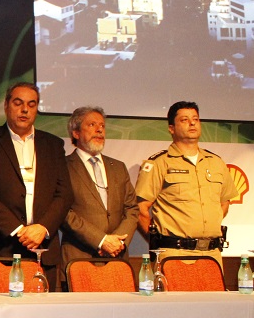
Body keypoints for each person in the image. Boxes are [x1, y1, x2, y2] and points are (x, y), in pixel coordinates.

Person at [0, 82, 72, 284]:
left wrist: (43, 228)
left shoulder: (53, 145)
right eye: (18, 103)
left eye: (32, 104)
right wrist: (19, 230)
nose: (25, 110)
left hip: (42, 249)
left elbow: (64, 194)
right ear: (6, 106)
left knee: (43, 315)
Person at [135, 101, 238, 266]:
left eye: (195, 119)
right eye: (184, 120)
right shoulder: (158, 163)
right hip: (175, 254)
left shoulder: (216, 162)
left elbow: (224, 202)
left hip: (212, 254)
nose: (192, 123)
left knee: (214, 293)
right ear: (171, 128)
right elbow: (140, 210)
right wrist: (159, 240)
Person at [60, 106, 138, 281]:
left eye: (102, 125)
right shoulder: (62, 167)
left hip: (117, 259)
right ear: (76, 133)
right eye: (92, 124)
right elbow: (63, 212)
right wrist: (101, 240)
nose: (99, 129)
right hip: (80, 258)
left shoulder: (118, 167)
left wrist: (118, 243)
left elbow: (132, 208)